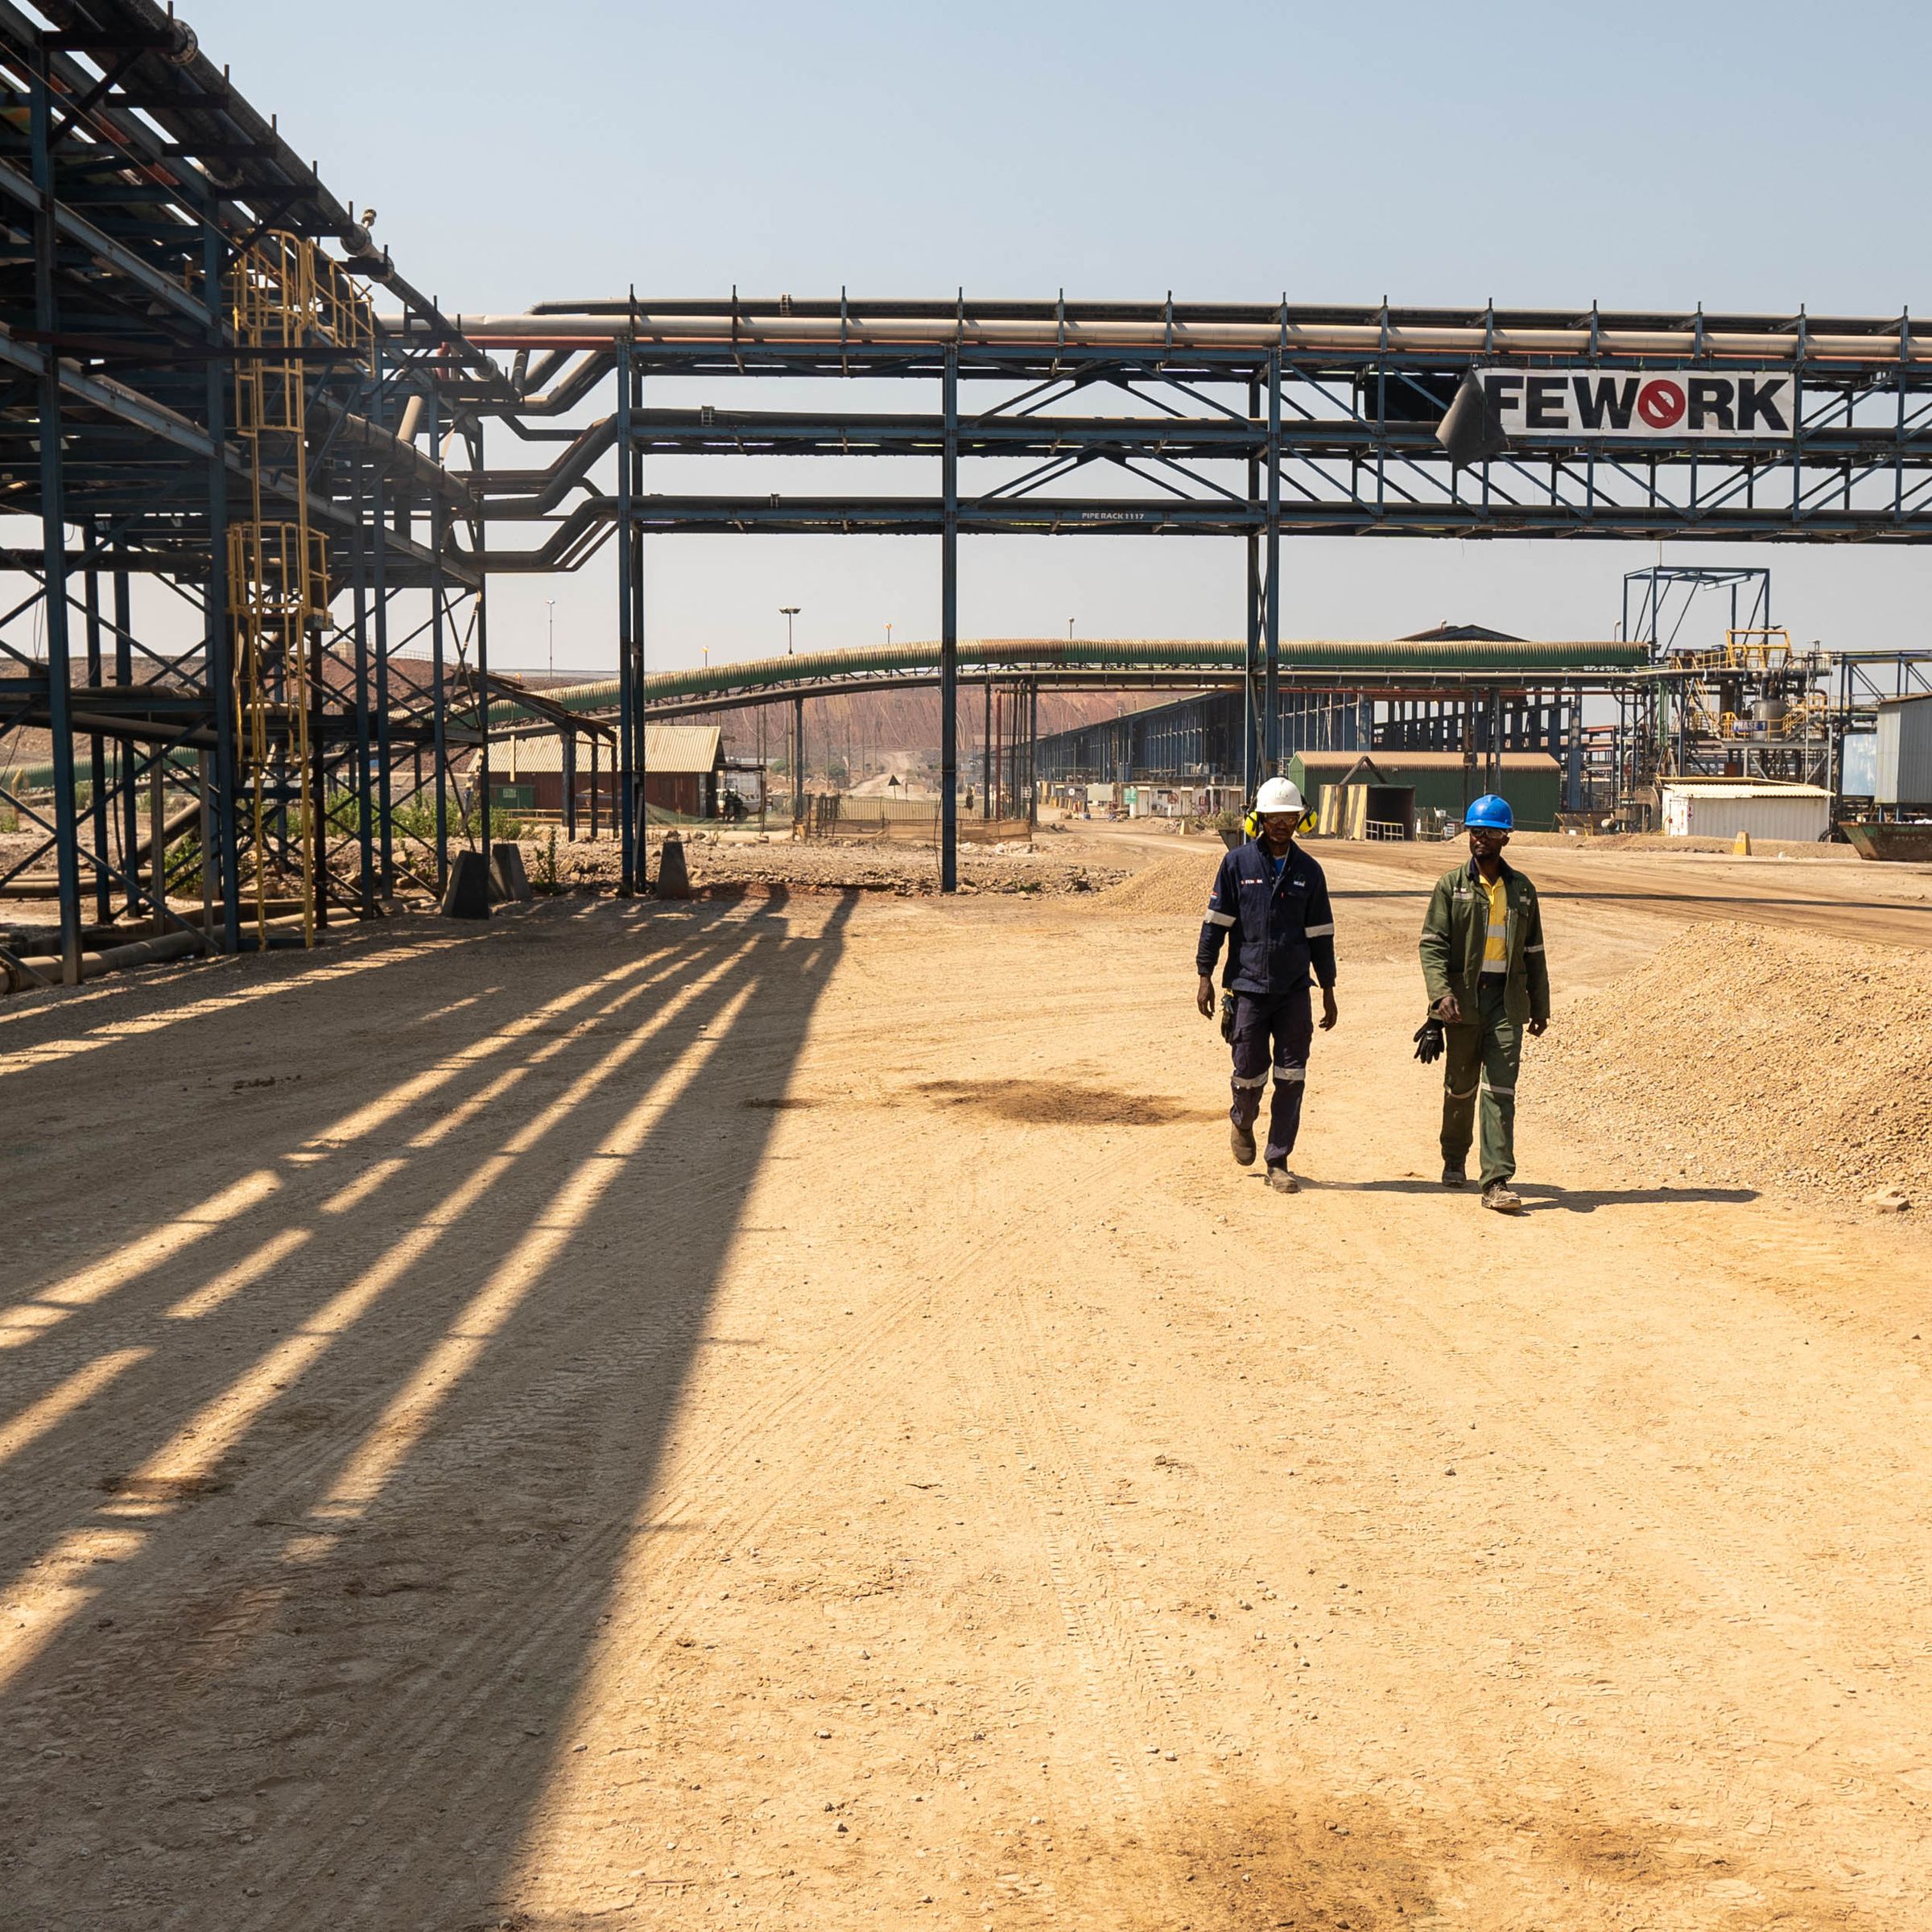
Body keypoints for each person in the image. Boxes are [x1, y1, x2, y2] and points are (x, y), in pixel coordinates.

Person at [1195, 777, 1339, 1194]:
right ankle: (1242, 1120)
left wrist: (1327, 989)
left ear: (1299, 819)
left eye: (1289, 817)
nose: (1282, 824)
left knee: (1292, 1076)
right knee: (1249, 1072)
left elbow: (1321, 934)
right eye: (1274, 817)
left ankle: (1279, 1160)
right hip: (1248, 988)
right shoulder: (1237, 864)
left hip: (1294, 990)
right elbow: (1216, 924)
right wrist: (1205, 976)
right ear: (1260, 819)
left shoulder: (1309, 872)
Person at [1418, 793, 1550, 1214]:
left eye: (1491, 832)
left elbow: (1535, 952)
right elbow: (1432, 946)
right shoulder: (1450, 886)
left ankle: (1496, 1180)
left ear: (1505, 839)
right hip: (1463, 1002)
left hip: (1507, 1003)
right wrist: (1440, 998)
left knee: (1500, 1090)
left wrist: (1540, 1005)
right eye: (1475, 832)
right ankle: (1454, 1159)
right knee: (1461, 1088)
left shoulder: (1523, 891)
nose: (1481, 840)